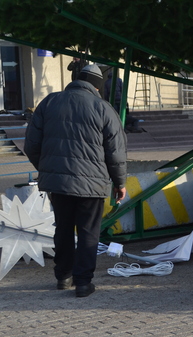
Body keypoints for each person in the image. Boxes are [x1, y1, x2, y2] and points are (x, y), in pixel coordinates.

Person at [24, 64, 127, 297]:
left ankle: (63, 277)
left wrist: (49, 169)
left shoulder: (49, 102)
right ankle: (83, 282)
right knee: (89, 231)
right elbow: (116, 152)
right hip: (92, 185)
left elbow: (31, 145)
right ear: (97, 86)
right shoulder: (103, 108)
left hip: (58, 184)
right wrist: (119, 183)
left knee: (63, 228)